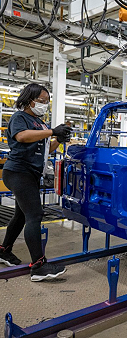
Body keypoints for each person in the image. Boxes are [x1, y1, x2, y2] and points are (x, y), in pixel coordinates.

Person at [0, 83, 72, 282]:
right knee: (35, 214)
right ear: (29, 99)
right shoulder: (19, 118)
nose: (44, 104)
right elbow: (22, 137)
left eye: (47, 102)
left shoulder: (39, 122)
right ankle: (39, 266)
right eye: (41, 101)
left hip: (30, 173)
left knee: (21, 216)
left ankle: (3, 250)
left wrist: (59, 138)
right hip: (18, 172)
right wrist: (51, 132)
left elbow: (45, 150)